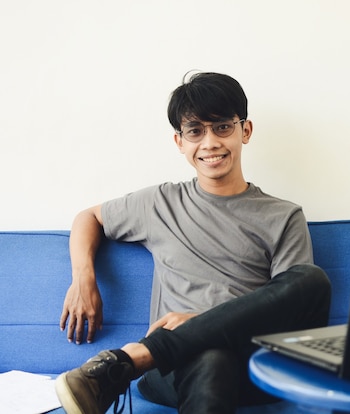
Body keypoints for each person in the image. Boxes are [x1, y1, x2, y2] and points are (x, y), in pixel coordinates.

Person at [55, 72, 332, 414]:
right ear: (180, 143)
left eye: (222, 127)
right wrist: (84, 279)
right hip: (174, 373)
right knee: (211, 359)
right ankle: (149, 356)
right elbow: (89, 217)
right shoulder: (160, 203)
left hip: (250, 365)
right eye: (195, 131)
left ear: (245, 130)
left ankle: (132, 359)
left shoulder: (284, 215)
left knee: (311, 279)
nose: (210, 142)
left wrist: (199, 322)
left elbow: (288, 315)